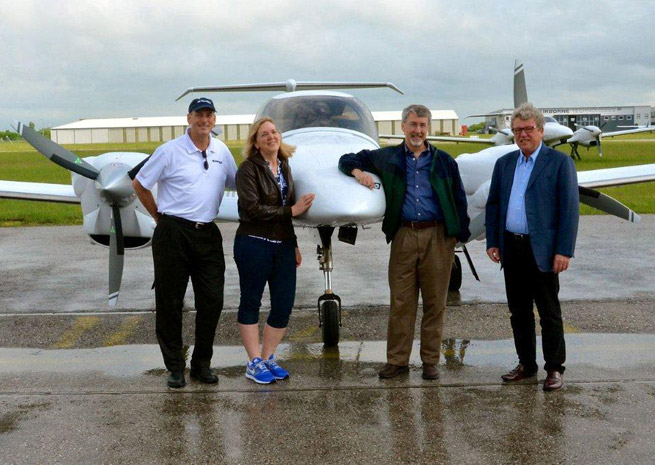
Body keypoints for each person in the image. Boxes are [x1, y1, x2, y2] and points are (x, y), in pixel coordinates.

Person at [338, 104, 470, 380]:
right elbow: (347, 159)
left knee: (435, 303)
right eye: (413, 124)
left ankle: (430, 361)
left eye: (422, 125)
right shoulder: (387, 158)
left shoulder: (445, 161)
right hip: (404, 236)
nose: (417, 130)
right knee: (401, 302)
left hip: (438, 237)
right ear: (403, 127)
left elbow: (459, 199)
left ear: (428, 128)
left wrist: (459, 234)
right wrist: (358, 173)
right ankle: (397, 361)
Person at [132, 97, 237, 388]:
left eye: (209, 115)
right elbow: (139, 184)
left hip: (208, 233)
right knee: (170, 302)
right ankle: (175, 367)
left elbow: (238, 182)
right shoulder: (169, 151)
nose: (204, 120)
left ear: (215, 119)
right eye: (199, 115)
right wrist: (159, 217)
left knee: (212, 300)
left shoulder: (222, 150)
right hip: (173, 233)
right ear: (188, 118)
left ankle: (202, 364)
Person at [485, 102, 579, 391]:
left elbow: (569, 209)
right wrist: (493, 241)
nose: (522, 134)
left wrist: (564, 250)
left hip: (544, 250)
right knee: (519, 312)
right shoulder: (505, 163)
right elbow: (494, 205)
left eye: (528, 129)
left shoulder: (559, 163)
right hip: (512, 249)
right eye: (517, 130)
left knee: (549, 313)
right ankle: (526, 364)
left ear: (540, 130)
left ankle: (554, 368)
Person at [234, 117, 315, 384]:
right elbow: (252, 209)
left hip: (282, 246)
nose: (271, 136)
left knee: (283, 304)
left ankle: (268, 357)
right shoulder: (247, 169)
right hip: (253, 243)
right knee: (251, 302)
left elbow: (285, 216)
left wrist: (293, 244)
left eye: (274, 132)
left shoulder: (284, 166)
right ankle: (253, 361)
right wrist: (291, 210)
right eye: (264, 134)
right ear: (256, 143)